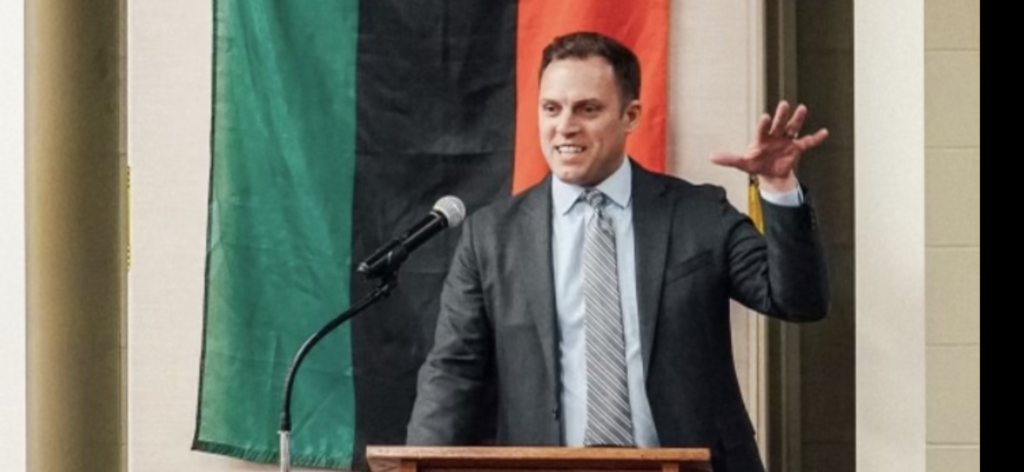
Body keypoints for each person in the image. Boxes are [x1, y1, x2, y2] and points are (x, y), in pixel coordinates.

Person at [406, 31, 830, 472]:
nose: (565, 126)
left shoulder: (698, 212)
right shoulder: (491, 236)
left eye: (587, 109)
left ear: (631, 116)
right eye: (551, 108)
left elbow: (798, 299)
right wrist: (418, 465)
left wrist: (778, 187)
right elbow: (453, 371)